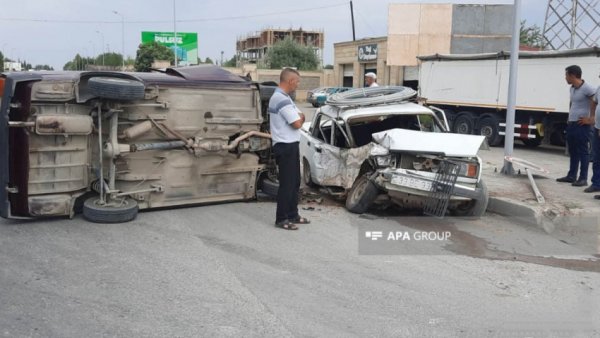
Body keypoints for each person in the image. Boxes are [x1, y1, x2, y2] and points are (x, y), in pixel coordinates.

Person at [268, 68, 310, 230]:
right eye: (297, 81)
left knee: (294, 182)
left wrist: (300, 117)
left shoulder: (285, 98)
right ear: (290, 81)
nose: (298, 85)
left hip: (291, 145)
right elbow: (298, 123)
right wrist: (299, 118)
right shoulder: (281, 99)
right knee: (287, 184)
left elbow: (301, 115)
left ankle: (293, 214)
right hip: (285, 146)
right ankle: (282, 218)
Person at [556, 65, 597, 187]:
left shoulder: (588, 88)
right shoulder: (572, 88)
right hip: (572, 124)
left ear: (573, 75)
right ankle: (571, 175)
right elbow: (572, 103)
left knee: (583, 151)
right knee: (572, 150)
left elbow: (596, 102)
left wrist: (591, 119)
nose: (565, 78)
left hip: (582, 125)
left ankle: (583, 178)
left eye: (566, 75)